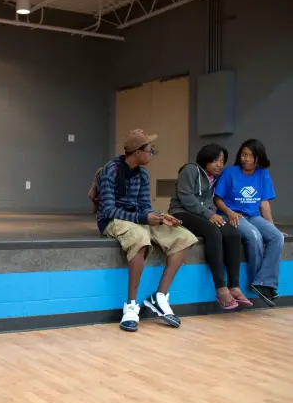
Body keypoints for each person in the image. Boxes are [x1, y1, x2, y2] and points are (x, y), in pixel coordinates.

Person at [95, 129, 198, 332]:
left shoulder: (143, 173)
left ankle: (159, 297)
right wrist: (144, 218)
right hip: (113, 219)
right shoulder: (111, 171)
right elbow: (107, 209)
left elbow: (144, 205)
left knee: (185, 237)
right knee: (140, 237)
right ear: (137, 152)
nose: (152, 153)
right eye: (150, 150)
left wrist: (159, 217)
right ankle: (131, 306)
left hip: (137, 218)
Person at [168, 144, 251, 310]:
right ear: (205, 159)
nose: (219, 165)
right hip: (181, 212)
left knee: (232, 233)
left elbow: (211, 202)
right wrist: (209, 215)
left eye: (222, 161)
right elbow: (186, 199)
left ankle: (234, 286)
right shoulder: (190, 170)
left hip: (202, 214)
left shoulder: (215, 177)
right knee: (213, 231)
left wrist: (220, 214)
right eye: (215, 160)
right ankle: (220, 288)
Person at [213, 139, 284, 307]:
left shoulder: (263, 174)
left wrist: (272, 226)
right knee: (254, 235)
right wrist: (229, 212)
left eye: (252, 156)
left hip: (253, 216)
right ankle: (258, 281)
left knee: (277, 237)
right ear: (240, 155)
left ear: (259, 158)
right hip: (230, 215)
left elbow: (264, 204)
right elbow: (217, 199)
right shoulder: (230, 172)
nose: (247, 159)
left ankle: (264, 282)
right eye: (244, 155)